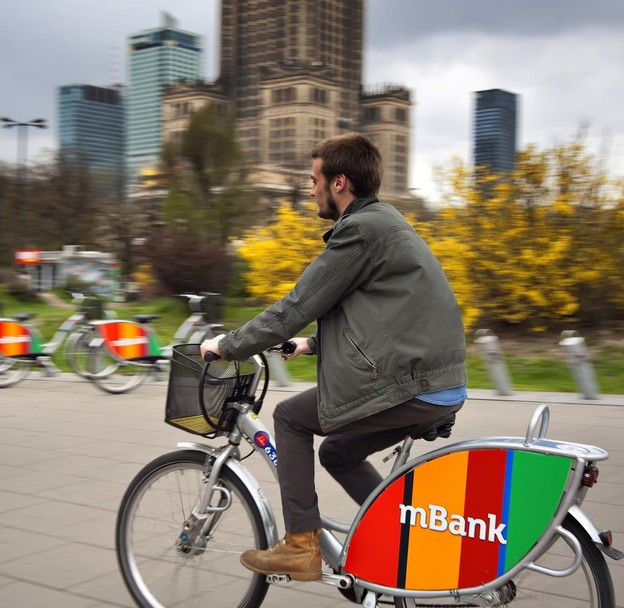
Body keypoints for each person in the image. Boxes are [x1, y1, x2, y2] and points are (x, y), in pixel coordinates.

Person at [200, 133, 468, 581]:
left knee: (288, 418)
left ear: (339, 182)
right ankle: (405, 540)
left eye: (314, 180)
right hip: (435, 379)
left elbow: (297, 306)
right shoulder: (386, 222)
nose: (309, 190)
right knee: (338, 453)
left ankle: (301, 546)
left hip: (415, 383)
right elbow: (384, 312)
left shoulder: (361, 229)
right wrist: (311, 345)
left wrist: (226, 346)